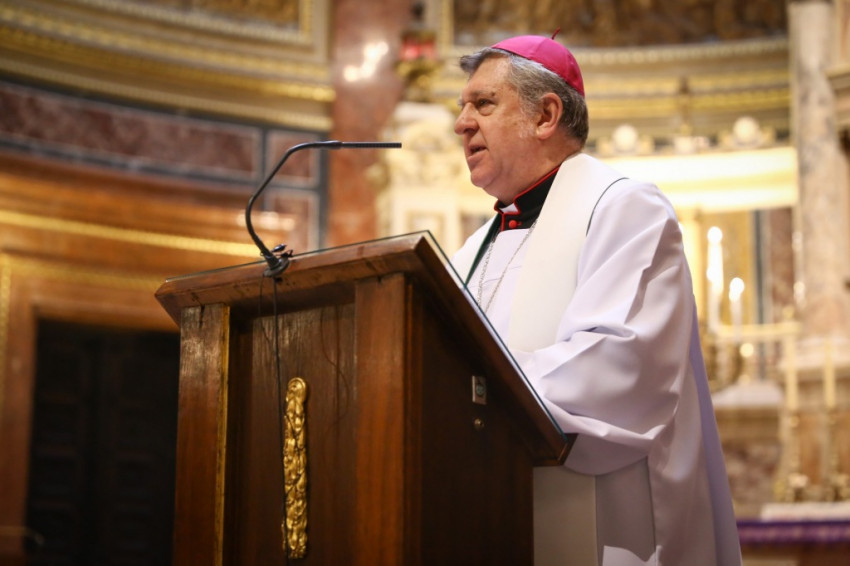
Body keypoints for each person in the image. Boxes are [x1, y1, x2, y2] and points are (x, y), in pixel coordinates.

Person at [451, 35, 742, 565]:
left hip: (610, 522)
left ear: (546, 115)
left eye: (483, 104)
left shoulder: (625, 209)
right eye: (462, 107)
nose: (461, 123)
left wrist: (464, 394)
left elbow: (617, 365)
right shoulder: (474, 249)